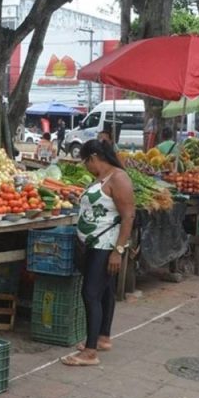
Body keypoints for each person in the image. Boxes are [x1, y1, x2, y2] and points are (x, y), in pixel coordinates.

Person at [62, 139, 135, 367]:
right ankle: (103, 338)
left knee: (90, 294)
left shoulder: (119, 178)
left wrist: (118, 251)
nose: (85, 167)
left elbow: (128, 216)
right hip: (94, 244)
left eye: (85, 162)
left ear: (93, 158)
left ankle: (90, 352)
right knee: (104, 292)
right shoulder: (103, 178)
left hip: (105, 246)